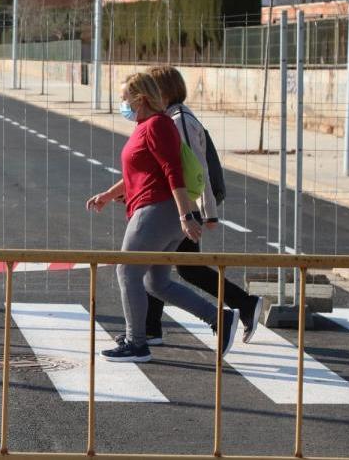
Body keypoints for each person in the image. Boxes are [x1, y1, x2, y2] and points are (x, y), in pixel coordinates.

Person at [86, 72, 239, 363]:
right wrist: (107, 195)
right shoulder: (148, 126)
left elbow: (173, 171)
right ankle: (220, 318)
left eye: (124, 99)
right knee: (155, 283)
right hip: (159, 210)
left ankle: (136, 342)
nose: (122, 105)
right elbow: (139, 173)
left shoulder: (157, 125)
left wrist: (186, 215)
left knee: (127, 271)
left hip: (156, 210)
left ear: (140, 99)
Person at [142, 66, 264, 345]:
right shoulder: (171, 118)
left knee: (167, 263)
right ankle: (151, 327)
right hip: (178, 203)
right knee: (168, 264)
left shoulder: (180, 120)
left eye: (151, 89)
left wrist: (209, 213)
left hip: (185, 204)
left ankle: (240, 306)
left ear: (164, 91)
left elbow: (199, 169)